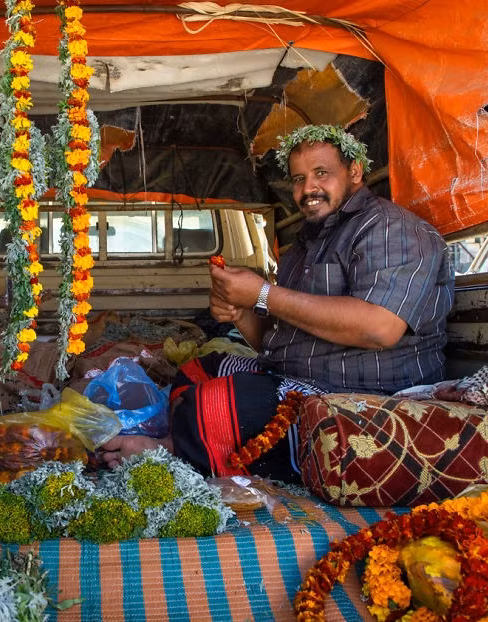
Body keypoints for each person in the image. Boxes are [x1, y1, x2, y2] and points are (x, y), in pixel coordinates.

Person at [100, 124, 455, 482]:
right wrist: (239, 311)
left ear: (355, 172)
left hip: (363, 395)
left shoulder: (389, 228)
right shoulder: (304, 244)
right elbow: (275, 342)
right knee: (198, 370)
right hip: (294, 374)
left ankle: (171, 449)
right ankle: (191, 439)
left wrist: (262, 294)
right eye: (299, 179)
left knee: (215, 404)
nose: (308, 189)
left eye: (321, 174)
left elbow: (381, 328)